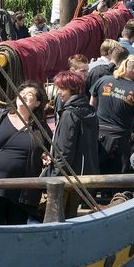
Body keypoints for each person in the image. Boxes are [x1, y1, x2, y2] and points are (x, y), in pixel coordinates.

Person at [0, 82, 51, 225]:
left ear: (37, 103)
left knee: (16, 231)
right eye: (22, 92)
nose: (24, 95)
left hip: (22, 193)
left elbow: (48, 151)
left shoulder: (40, 128)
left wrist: (45, 157)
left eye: (30, 94)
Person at [43, 71, 99, 218]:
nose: (59, 93)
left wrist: (53, 175)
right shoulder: (90, 111)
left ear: (72, 89)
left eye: (62, 88)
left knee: (57, 217)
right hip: (83, 174)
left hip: (67, 176)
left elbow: (65, 150)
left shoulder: (69, 114)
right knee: (71, 215)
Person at [90, 55, 134, 174]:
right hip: (120, 139)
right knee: (118, 178)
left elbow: (91, 106)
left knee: (96, 172)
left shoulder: (103, 81)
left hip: (98, 135)